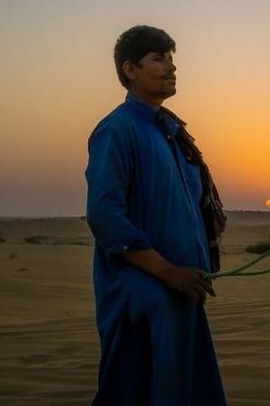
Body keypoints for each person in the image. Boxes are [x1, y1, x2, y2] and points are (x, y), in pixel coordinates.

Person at [85, 25, 227, 405]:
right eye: (159, 59)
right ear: (131, 70)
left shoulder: (171, 133)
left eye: (171, 59)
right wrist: (167, 272)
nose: (171, 67)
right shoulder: (118, 130)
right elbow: (105, 217)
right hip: (143, 297)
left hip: (182, 291)